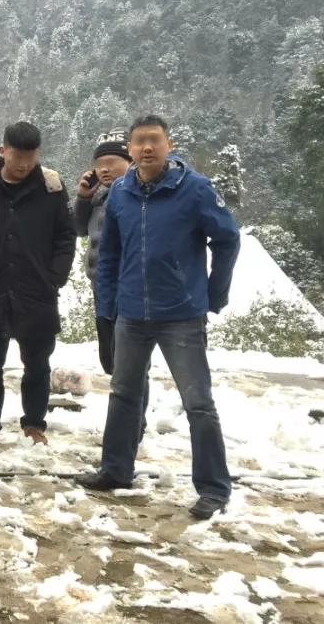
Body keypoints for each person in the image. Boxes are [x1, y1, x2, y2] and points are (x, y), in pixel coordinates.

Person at [79, 114, 241, 521]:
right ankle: (116, 470)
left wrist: (214, 294)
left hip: (181, 314)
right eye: (140, 141)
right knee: (123, 394)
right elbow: (109, 254)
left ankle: (214, 488)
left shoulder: (195, 188)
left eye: (155, 140)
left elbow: (227, 239)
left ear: (169, 144)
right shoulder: (120, 193)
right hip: (131, 313)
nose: (147, 147)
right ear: (130, 149)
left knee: (198, 403)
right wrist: (108, 307)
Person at [0, 121, 76, 448]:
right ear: (2, 150)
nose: (24, 164)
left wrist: (55, 277)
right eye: (17, 156)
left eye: (30, 157)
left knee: (37, 364)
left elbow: (66, 236)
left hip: (37, 292)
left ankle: (34, 424)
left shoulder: (51, 186)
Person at [73, 129, 150, 442]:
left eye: (112, 162)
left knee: (131, 363)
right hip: (101, 288)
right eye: (99, 163)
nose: (104, 169)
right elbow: (78, 228)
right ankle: (128, 421)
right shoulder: (99, 196)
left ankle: (132, 425)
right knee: (112, 361)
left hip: (130, 290)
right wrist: (83, 197)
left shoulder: (138, 193)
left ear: (129, 161)